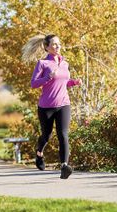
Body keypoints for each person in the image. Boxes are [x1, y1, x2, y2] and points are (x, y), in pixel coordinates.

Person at [24, 34, 82, 179]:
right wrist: (48, 76)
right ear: (47, 47)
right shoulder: (42, 64)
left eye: (59, 44)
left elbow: (64, 82)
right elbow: (34, 84)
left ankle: (64, 166)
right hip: (46, 106)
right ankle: (39, 153)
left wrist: (74, 82)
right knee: (47, 135)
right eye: (54, 44)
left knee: (63, 134)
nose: (58, 46)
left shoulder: (65, 63)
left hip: (64, 103)